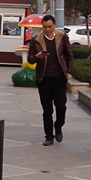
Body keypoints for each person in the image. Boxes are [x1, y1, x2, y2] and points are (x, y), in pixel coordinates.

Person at [27, 14, 74, 146]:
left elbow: (69, 55)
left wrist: (69, 71)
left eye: (50, 27)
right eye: (45, 27)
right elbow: (30, 60)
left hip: (59, 78)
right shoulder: (36, 40)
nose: (47, 29)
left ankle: (58, 125)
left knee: (61, 106)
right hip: (44, 79)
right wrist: (38, 56)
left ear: (54, 25)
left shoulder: (62, 37)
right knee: (47, 110)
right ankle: (49, 136)